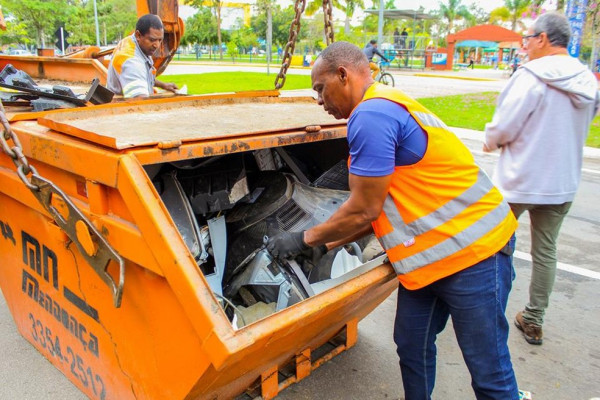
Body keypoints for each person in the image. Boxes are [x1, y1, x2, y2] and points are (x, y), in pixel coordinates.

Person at [268, 41, 520, 399]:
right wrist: (329, 242)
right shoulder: (384, 104)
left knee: (489, 371)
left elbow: (364, 209)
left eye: (321, 89)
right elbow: (382, 206)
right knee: (411, 344)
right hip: (429, 263)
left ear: (343, 75)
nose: (321, 102)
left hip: (475, 255)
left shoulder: (371, 116)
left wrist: (305, 240)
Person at [484, 12, 599, 345]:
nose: (526, 46)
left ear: (543, 39)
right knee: (546, 252)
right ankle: (534, 319)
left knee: (494, 246)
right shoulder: (587, 79)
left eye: (528, 39)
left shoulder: (530, 76)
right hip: (562, 181)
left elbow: (505, 126)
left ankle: (489, 316)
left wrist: (492, 141)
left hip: (519, 179)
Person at [107, 14, 178, 98]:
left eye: (160, 40)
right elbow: (140, 100)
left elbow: (142, 75)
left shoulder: (134, 43)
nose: (157, 45)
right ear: (138, 35)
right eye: (152, 40)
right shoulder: (131, 61)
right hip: (123, 107)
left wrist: (163, 85)